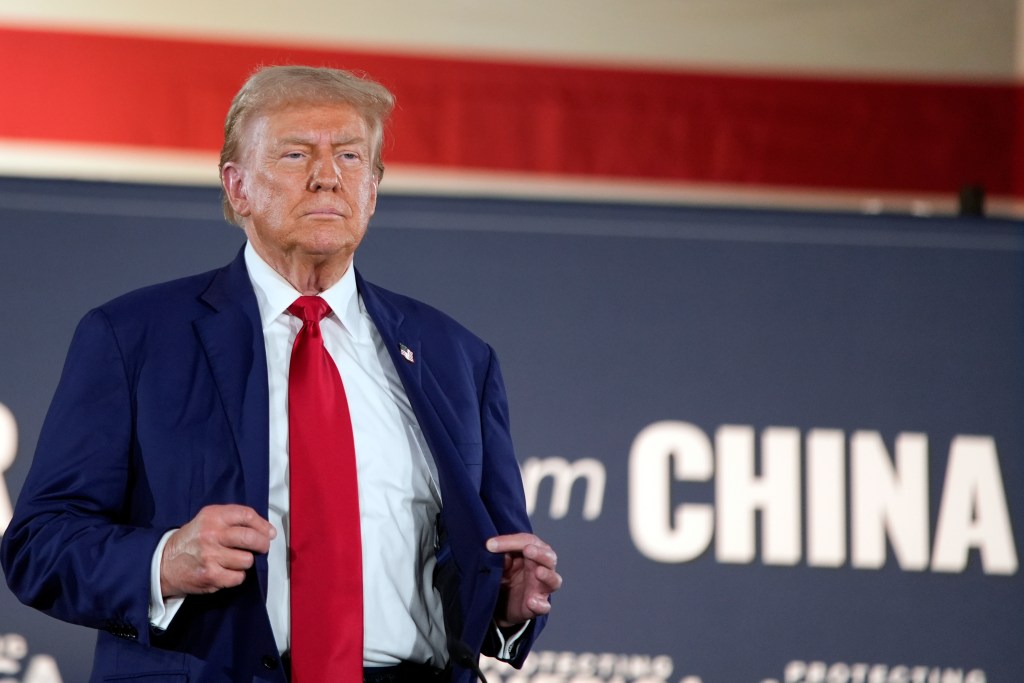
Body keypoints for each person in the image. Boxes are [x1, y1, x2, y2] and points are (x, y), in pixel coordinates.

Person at [1, 65, 561, 682]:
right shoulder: (132, 338)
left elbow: (496, 562)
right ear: (236, 187)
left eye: (350, 156)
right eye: (297, 154)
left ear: (372, 188)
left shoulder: (456, 357)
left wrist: (508, 606)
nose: (328, 176)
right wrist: (162, 561)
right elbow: (38, 546)